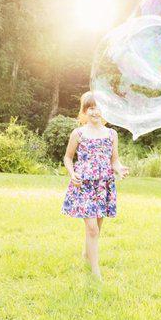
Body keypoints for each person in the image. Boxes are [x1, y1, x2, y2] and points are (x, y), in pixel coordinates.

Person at [61, 91, 128, 280]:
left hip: (103, 185)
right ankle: (95, 271)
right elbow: (68, 157)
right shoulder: (79, 133)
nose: (95, 112)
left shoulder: (111, 134)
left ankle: (86, 254)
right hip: (84, 185)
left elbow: (114, 160)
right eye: (90, 108)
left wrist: (119, 169)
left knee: (97, 227)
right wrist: (72, 172)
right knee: (92, 229)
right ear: (84, 111)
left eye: (98, 107)